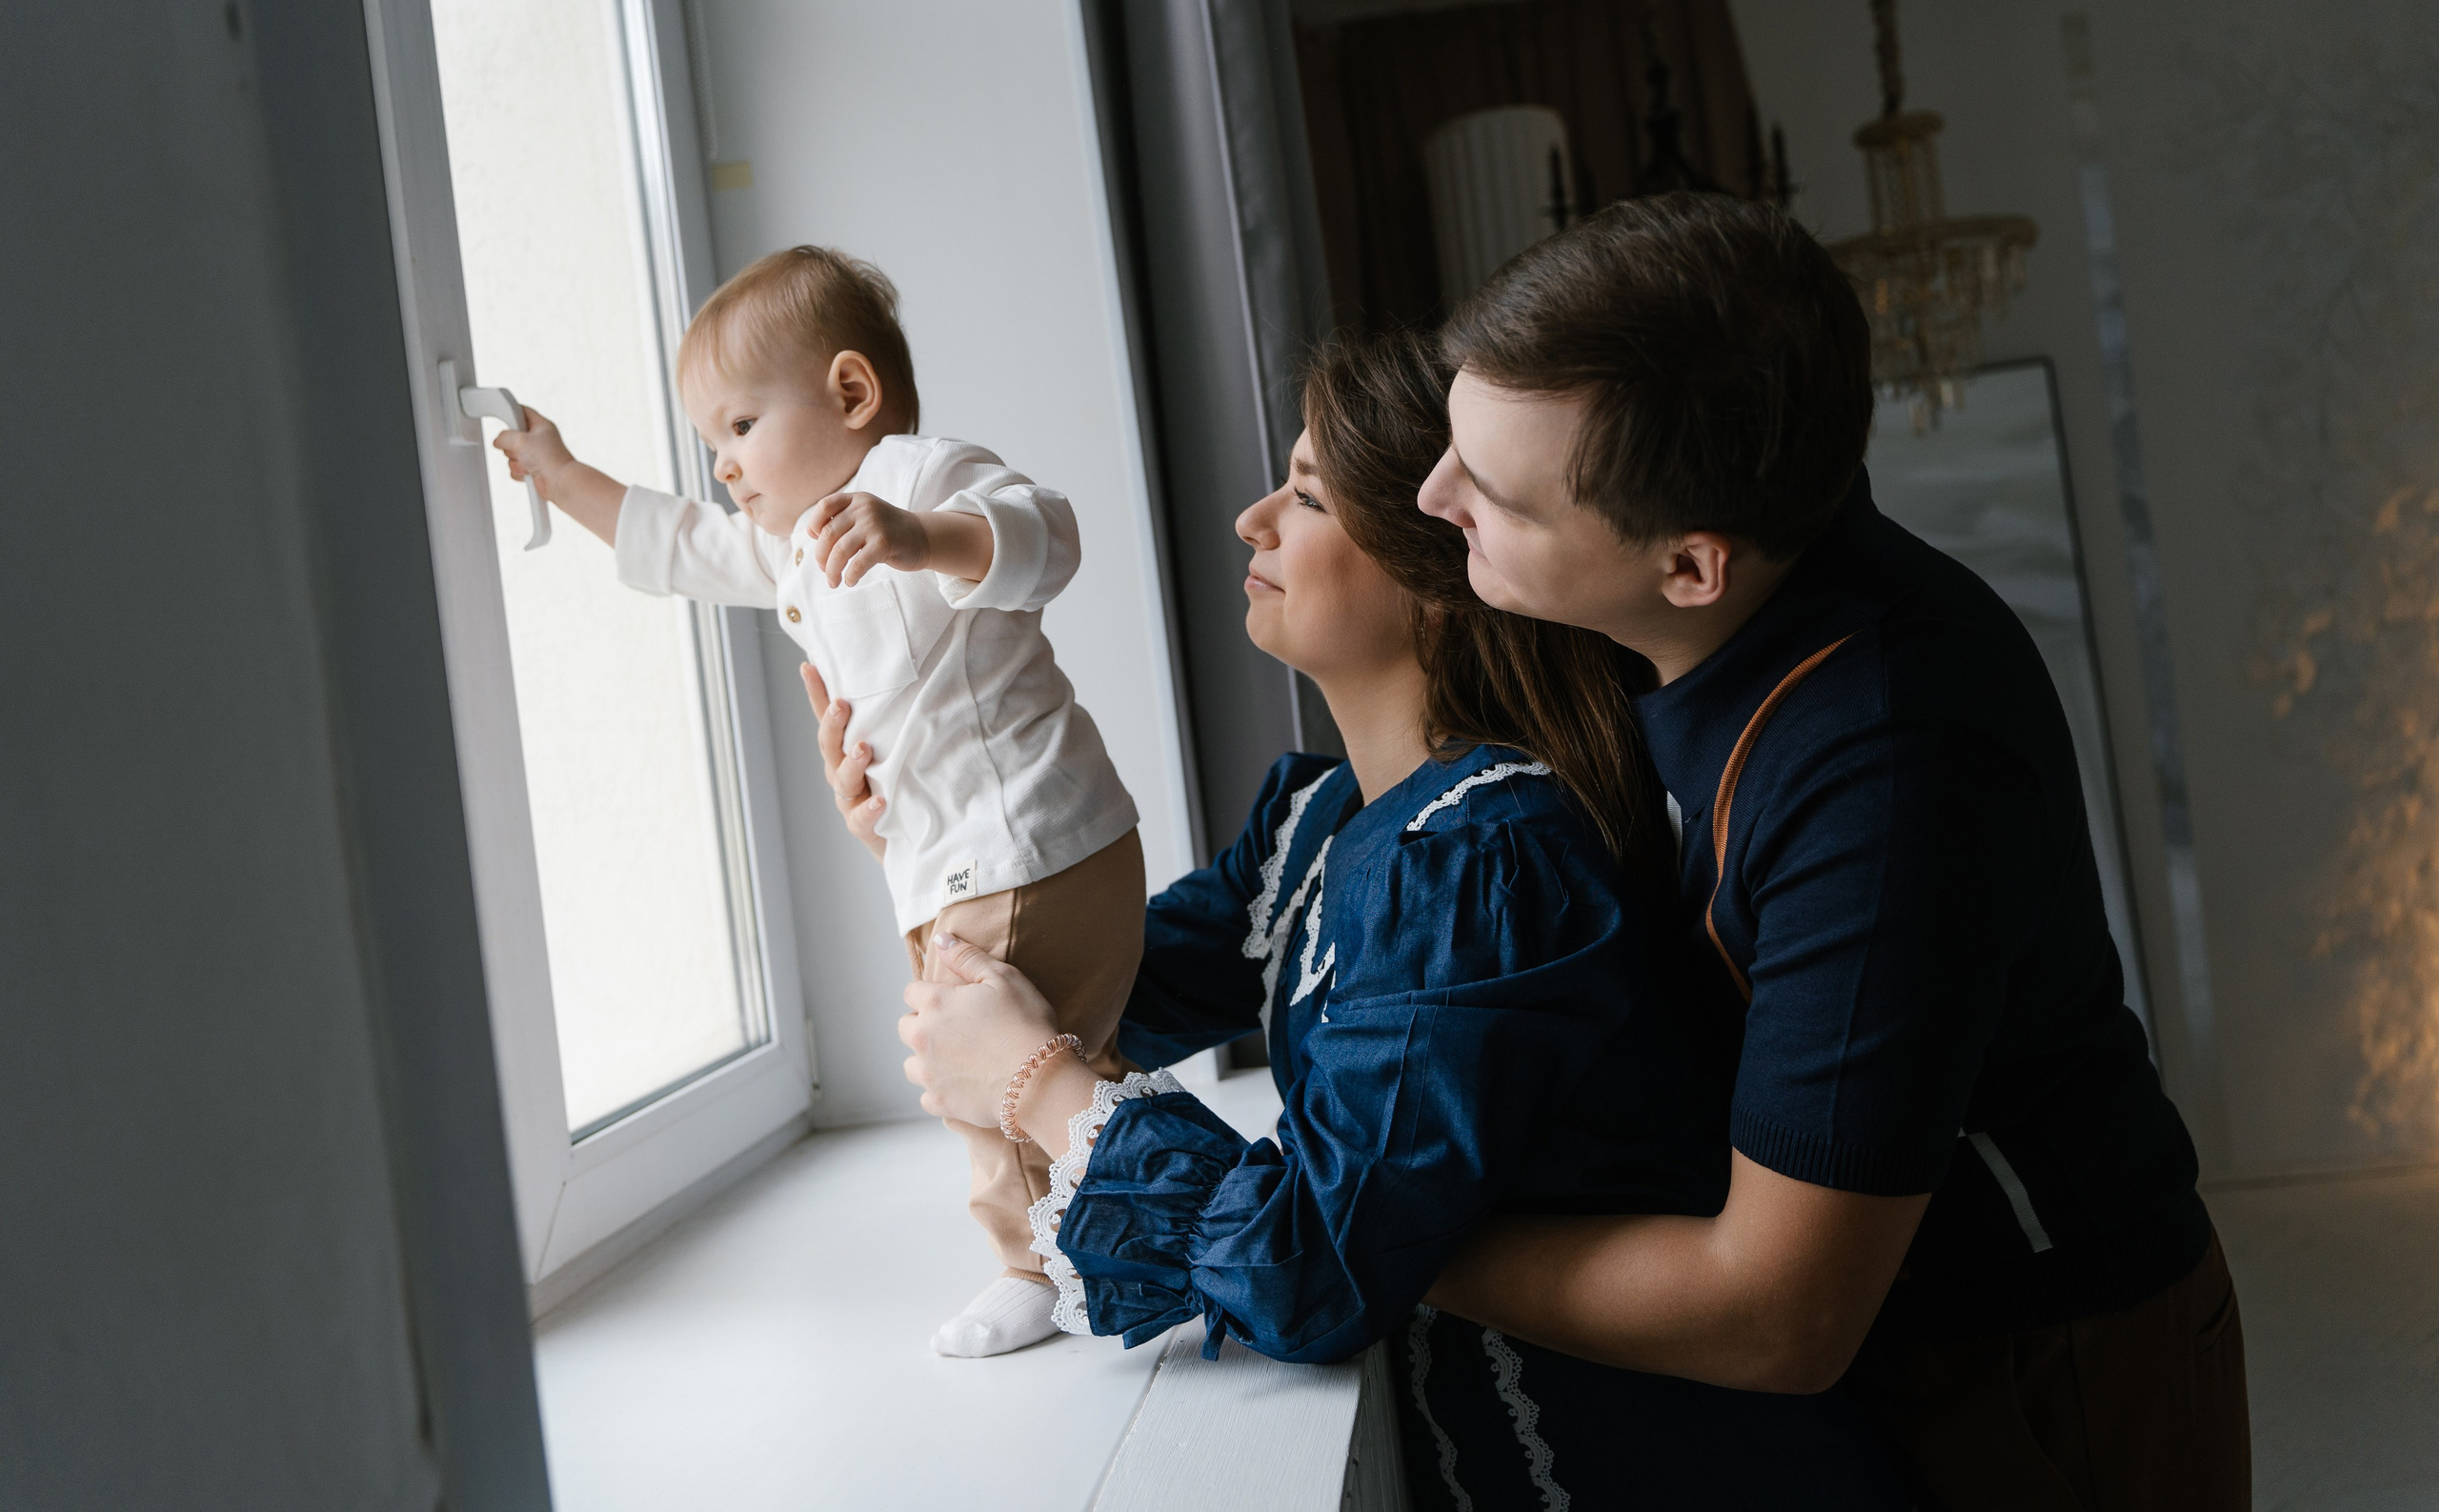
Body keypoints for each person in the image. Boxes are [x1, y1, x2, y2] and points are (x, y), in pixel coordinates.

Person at [875, 330, 1910, 1507]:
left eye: (1308, 495)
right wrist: (921, 820)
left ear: (1439, 567)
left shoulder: (1490, 854)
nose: (1253, 520)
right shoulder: (1317, 826)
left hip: (1644, 1467)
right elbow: (1100, 987)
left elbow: (1306, 1267)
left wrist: (1036, 1086)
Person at [1414, 194, 2249, 1510]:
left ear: (1692, 563)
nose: (1432, 495)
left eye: (1491, 491)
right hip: (1885, 1329)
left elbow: (1778, 1311)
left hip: (2041, 1353)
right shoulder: (1670, 609)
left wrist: (1392, 1244)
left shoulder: (1889, 757)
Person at [490, 245, 1141, 1360]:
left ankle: (1035, 1267)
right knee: (1062, 1056)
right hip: (967, 861)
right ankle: (1120, 1225)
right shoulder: (791, 551)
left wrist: (921, 536)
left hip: (1019, 849)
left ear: (849, 393)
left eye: (740, 430)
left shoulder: (921, 478)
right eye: (712, 446)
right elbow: (682, 543)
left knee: (977, 1069)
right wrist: (562, 476)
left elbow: (1048, 536)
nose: (727, 470)